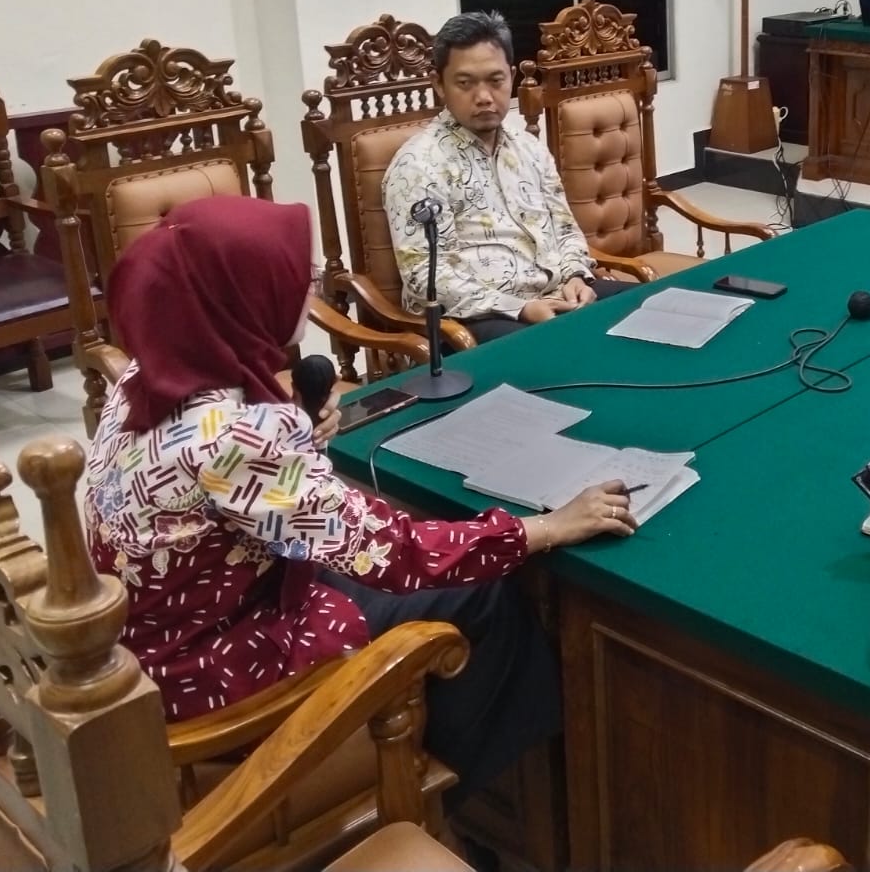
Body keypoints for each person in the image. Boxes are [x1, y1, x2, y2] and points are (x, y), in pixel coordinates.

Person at [83, 195, 639, 804]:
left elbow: (225, 490)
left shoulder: (149, 375)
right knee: (482, 595)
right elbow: (391, 551)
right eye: (300, 278)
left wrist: (289, 426)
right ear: (244, 295)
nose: (310, 294)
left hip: (157, 633)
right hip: (211, 666)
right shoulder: (235, 436)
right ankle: (447, 794)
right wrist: (548, 527)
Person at [382, 10, 633, 345]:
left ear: (511, 77)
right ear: (438, 85)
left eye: (495, 80)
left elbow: (565, 228)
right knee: (563, 349)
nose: (484, 96)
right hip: (476, 318)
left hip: (555, 294)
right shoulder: (418, 166)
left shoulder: (529, 148)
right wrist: (521, 308)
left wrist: (576, 276)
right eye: (465, 83)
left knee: (653, 307)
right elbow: (425, 276)